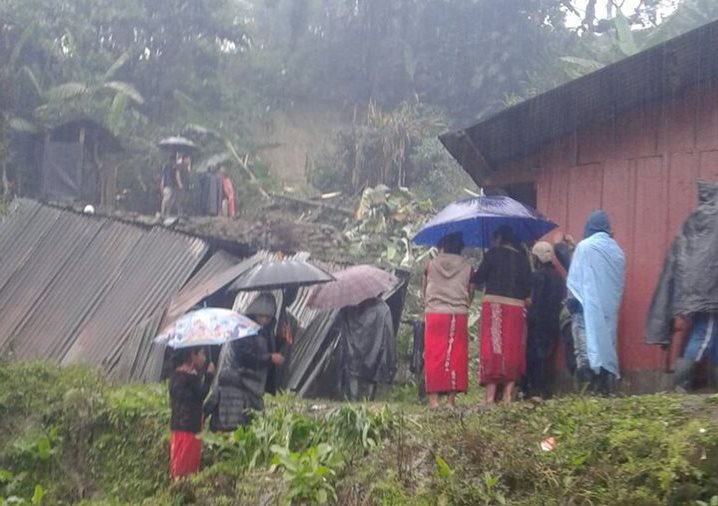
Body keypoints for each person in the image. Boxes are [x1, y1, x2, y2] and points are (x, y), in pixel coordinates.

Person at [645, 181, 718, 391]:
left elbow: (677, 256)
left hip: (694, 290)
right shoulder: (715, 218)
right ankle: (682, 386)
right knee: (705, 333)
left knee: (712, 334)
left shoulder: (695, 219)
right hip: (710, 291)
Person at [205, 293, 285, 430]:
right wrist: (269, 357)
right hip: (236, 384)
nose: (264, 320)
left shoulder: (267, 332)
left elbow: (268, 352)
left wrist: (282, 341)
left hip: (254, 388)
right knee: (229, 427)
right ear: (253, 313)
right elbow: (246, 354)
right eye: (261, 316)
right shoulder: (242, 329)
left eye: (267, 317)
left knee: (249, 428)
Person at [567, 210, 626, 395]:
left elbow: (575, 279)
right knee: (606, 345)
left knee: (585, 348)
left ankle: (589, 389)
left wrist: (572, 304)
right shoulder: (618, 252)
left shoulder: (584, 247)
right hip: (608, 310)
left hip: (585, 308)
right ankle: (605, 388)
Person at [473, 226, 532, 405]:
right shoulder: (523, 259)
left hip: (494, 305)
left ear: (498, 238)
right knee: (512, 348)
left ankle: (490, 397)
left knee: (493, 348)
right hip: (516, 307)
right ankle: (507, 395)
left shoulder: (492, 254)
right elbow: (528, 286)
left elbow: (478, 279)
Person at [422, 232, 474, 409]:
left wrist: (431, 304)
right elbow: (471, 291)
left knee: (433, 354)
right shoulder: (467, 267)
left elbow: (424, 289)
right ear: (460, 247)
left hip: (434, 314)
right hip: (457, 315)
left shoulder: (430, 264)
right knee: (455, 356)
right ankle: (450, 401)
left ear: (442, 245)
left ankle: (433, 401)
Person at [524, 241, 566, 399]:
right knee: (548, 356)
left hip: (538, 322)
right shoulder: (558, 277)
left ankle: (534, 390)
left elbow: (535, 301)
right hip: (554, 321)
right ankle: (545, 391)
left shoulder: (537, 276)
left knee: (535, 356)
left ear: (537, 258)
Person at [169, 346, 215, 480]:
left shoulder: (176, 374)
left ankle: (176, 488)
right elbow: (200, 396)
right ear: (192, 356)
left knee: (178, 461)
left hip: (177, 425)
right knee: (188, 465)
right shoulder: (191, 376)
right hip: (190, 426)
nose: (204, 358)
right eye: (202, 354)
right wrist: (209, 376)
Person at [339, 297, 396, 401]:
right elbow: (388, 335)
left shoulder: (347, 306)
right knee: (373, 372)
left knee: (353, 372)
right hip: (374, 351)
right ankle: (369, 402)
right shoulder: (382, 308)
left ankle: (353, 400)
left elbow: (345, 332)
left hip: (353, 351)